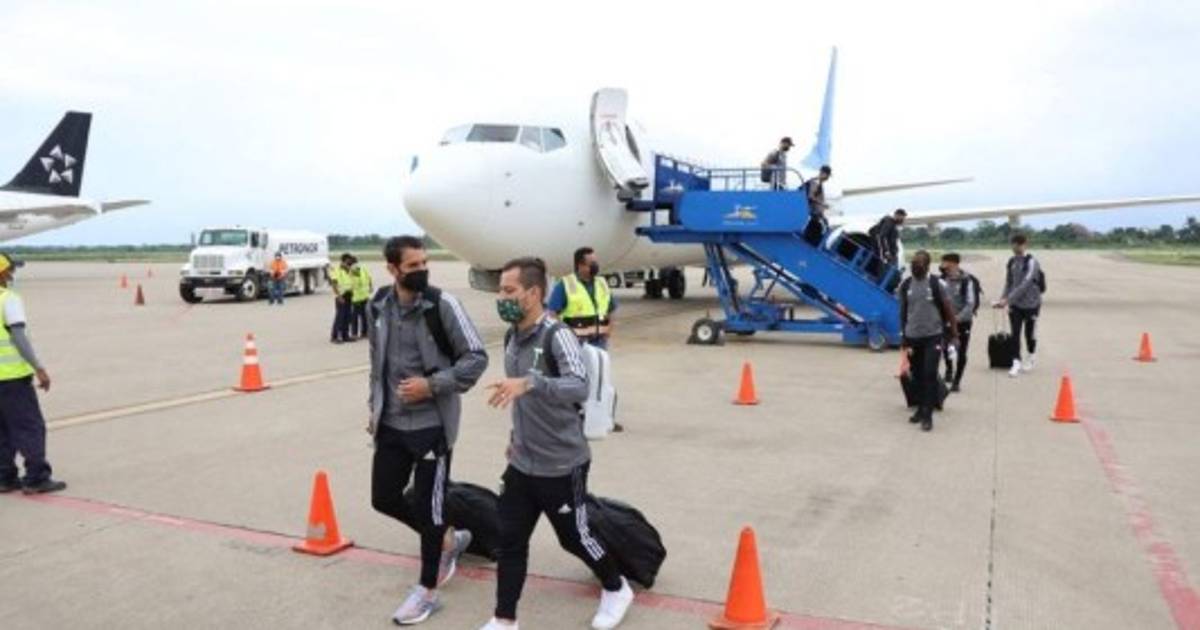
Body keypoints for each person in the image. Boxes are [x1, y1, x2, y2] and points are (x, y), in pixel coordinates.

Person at [480, 257, 634, 630]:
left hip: (562, 462)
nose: (502, 298)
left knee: (575, 537)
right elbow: (522, 401)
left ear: (534, 293)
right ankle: (504, 619)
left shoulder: (556, 334)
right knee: (511, 540)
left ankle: (616, 587)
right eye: (500, 290)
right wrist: (515, 437)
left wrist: (531, 382)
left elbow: (578, 384)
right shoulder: (512, 336)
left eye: (509, 290)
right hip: (522, 461)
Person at [366, 236, 489, 625]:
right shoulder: (378, 305)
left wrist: (432, 385)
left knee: (429, 508)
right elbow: (377, 364)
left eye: (424, 263)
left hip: (431, 425)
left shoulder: (443, 305)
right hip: (391, 422)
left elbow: (476, 358)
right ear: (392, 269)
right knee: (384, 498)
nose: (422, 271)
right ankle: (447, 539)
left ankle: (427, 592)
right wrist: (374, 407)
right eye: (413, 266)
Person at [0, 253, 66, 494]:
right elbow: (19, 337)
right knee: (29, 427)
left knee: (2, 429)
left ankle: (5, 477)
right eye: (9, 270)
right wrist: (39, 368)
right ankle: (36, 477)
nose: (12, 274)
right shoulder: (8, 299)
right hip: (12, 378)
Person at [898, 250, 959, 432]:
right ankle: (920, 408)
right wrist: (904, 336)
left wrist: (954, 334)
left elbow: (948, 310)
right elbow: (903, 312)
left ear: (927, 266)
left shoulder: (936, 284)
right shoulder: (905, 285)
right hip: (912, 337)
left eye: (919, 264)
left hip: (933, 336)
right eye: (913, 263)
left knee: (929, 374)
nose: (915, 267)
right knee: (917, 375)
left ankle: (928, 415)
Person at [547, 247, 616, 351]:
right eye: (592, 263)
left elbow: (611, 309)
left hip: (600, 342)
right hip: (576, 343)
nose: (595, 266)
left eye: (595, 262)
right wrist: (564, 336)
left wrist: (609, 329)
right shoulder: (565, 284)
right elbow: (552, 313)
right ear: (580, 265)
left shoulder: (602, 283)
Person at [995, 233, 1042, 377]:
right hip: (1015, 305)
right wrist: (1002, 298)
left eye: (1019, 245)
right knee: (1015, 333)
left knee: (1029, 334)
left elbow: (1025, 284)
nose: (1015, 248)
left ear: (1025, 245)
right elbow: (1009, 282)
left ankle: (1031, 355)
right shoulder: (1011, 262)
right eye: (1013, 245)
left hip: (1032, 304)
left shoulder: (1032, 262)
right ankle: (1016, 361)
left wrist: (1008, 299)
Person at [938, 253, 979, 392]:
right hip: (945, 322)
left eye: (944, 262)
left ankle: (957, 381)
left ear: (954, 263)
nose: (942, 265)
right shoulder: (942, 280)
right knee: (945, 347)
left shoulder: (967, 281)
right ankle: (949, 370)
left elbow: (970, 303)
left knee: (961, 351)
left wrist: (956, 319)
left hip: (963, 322)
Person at [803, 165, 832, 245]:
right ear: (823, 173)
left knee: (820, 228)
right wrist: (823, 204)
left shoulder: (819, 183)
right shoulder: (816, 182)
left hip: (816, 214)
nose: (828, 178)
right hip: (814, 214)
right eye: (828, 176)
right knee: (816, 231)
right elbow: (810, 196)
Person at [329, 253, 354, 343]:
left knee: (348, 316)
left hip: (349, 295)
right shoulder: (337, 270)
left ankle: (345, 335)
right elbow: (334, 284)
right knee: (340, 317)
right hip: (341, 295)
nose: (350, 263)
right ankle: (335, 336)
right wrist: (338, 296)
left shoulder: (349, 270)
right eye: (348, 261)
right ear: (343, 261)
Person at [349, 257, 373, 340]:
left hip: (357, 297)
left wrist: (350, 290)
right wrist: (370, 287)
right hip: (365, 295)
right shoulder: (363, 267)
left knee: (354, 317)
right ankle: (365, 333)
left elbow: (356, 282)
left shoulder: (354, 269)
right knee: (364, 316)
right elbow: (369, 278)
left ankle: (354, 333)